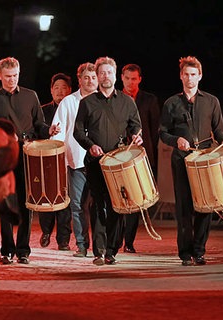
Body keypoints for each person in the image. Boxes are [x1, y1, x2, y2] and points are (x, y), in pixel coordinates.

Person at [0, 56, 59, 264]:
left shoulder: (31, 96)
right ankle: (7, 249)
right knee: (6, 202)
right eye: (7, 77)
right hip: (3, 156)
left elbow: (39, 124)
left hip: (28, 153)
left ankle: (23, 250)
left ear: (19, 74)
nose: (12, 80)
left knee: (27, 202)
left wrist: (48, 130)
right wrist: (3, 137)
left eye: (15, 76)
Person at [159, 56, 223, 266]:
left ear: (200, 76)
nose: (190, 79)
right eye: (186, 75)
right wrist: (176, 140)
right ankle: (185, 253)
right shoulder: (171, 103)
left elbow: (218, 130)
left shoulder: (211, 101)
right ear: (181, 76)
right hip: (181, 159)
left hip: (204, 159)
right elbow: (163, 133)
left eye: (193, 75)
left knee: (206, 205)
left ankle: (199, 251)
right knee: (184, 207)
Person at [74, 56, 142, 266]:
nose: (105, 76)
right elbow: (77, 131)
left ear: (115, 75)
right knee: (97, 204)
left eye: (109, 72)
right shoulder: (87, 103)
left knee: (117, 206)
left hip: (119, 163)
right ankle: (99, 250)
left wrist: (137, 136)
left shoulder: (127, 102)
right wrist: (90, 145)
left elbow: (135, 126)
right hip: (96, 162)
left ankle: (112, 250)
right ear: (97, 76)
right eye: (101, 73)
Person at [52, 62, 98, 257]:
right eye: (86, 77)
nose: (90, 81)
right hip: (76, 161)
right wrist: (59, 160)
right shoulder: (68, 102)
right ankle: (81, 245)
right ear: (79, 80)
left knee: (99, 205)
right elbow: (58, 133)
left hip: (100, 161)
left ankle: (101, 245)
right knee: (78, 205)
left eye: (93, 77)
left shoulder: (104, 101)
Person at [117, 63, 161, 254]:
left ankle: (129, 241)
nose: (130, 82)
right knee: (117, 199)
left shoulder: (149, 100)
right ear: (121, 78)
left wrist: (146, 152)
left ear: (139, 80)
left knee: (135, 201)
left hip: (140, 156)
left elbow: (154, 130)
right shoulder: (115, 98)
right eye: (127, 78)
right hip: (117, 155)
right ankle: (115, 239)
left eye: (134, 79)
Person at [37, 72, 73, 251]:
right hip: (47, 162)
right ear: (51, 91)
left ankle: (64, 239)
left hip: (68, 160)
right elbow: (37, 131)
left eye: (63, 88)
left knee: (65, 201)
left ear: (70, 90)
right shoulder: (43, 110)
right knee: (47, 198)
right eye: (56, 88)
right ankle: (45, 231)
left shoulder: (75, 108)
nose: (60, 91)